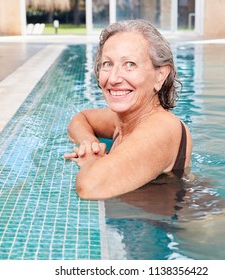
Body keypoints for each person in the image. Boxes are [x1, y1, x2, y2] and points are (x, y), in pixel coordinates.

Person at [64, 19, 192, 200]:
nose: (114, 78)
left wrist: (91, 160)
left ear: (160, 75)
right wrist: (89, 142)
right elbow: (81, 118)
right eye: (107, 64)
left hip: (193, 224)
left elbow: (90, 187)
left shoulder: (161, 128)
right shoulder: (125, 119)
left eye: (130, 64)